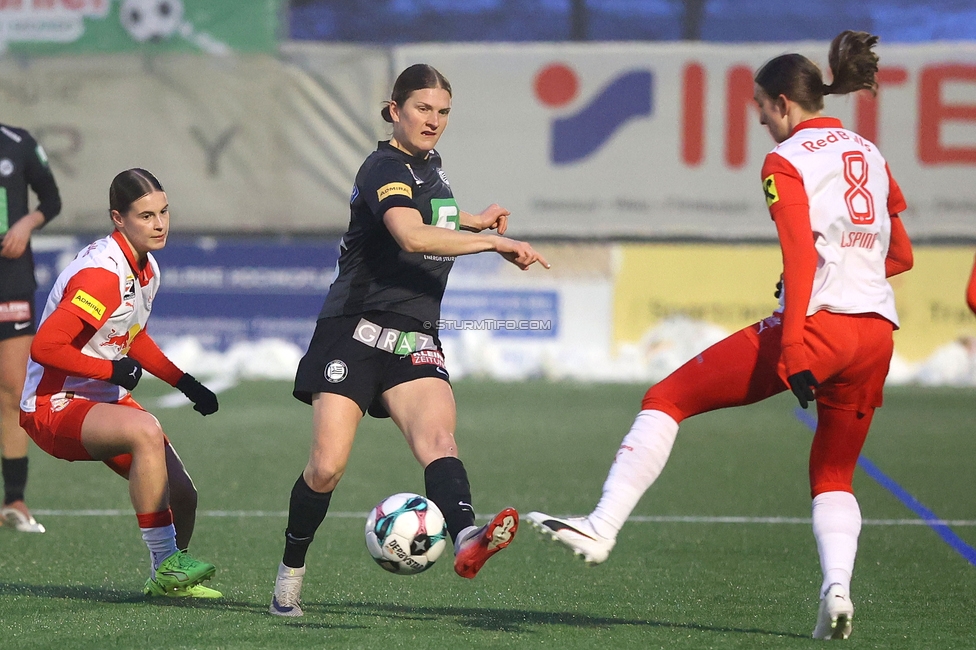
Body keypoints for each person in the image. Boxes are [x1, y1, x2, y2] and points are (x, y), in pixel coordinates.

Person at [527, 31, 914, 641]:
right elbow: (903, 255)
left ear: (784, 103)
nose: (759, 119)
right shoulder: (868, 152)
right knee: (834, 475)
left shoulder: (786, 161)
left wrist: (794, 345)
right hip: (876, 335)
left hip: (816, 329)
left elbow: (799, 257)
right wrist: (854, 270)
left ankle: (603, 526)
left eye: (761, 106)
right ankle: (837, 589)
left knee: (667, 397)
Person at [269, 63, 550, 617]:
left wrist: (474, 221)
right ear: (394, 110)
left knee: (439, 441)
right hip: (354, 331)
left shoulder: (432, 172)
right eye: (422, 108)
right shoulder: (383, 165)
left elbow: (434, 212)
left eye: (443, 112)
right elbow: (409, 230)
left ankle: (467, 537)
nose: (434, 121)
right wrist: (494, 245)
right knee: (326, 467)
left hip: (414, 335)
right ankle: (288, 578)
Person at [19, 168, 222, 598]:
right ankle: (167, 565)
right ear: (118, 218)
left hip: (98, 399)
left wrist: (185, 382)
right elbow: (45, 347)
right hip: (53, 404)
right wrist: (110, 371)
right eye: (146, 216)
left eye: (164, 212)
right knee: (144, 430)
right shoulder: (102, 275)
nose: (160, 223)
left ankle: (167, 581)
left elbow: (129, 335)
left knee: (183, 496)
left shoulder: (147, 269)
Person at [0, 123, 61, 533]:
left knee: (11, 389)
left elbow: (52, 200)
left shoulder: (17, 143)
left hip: (10, 277)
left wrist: (25, 223)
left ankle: (15, 500)